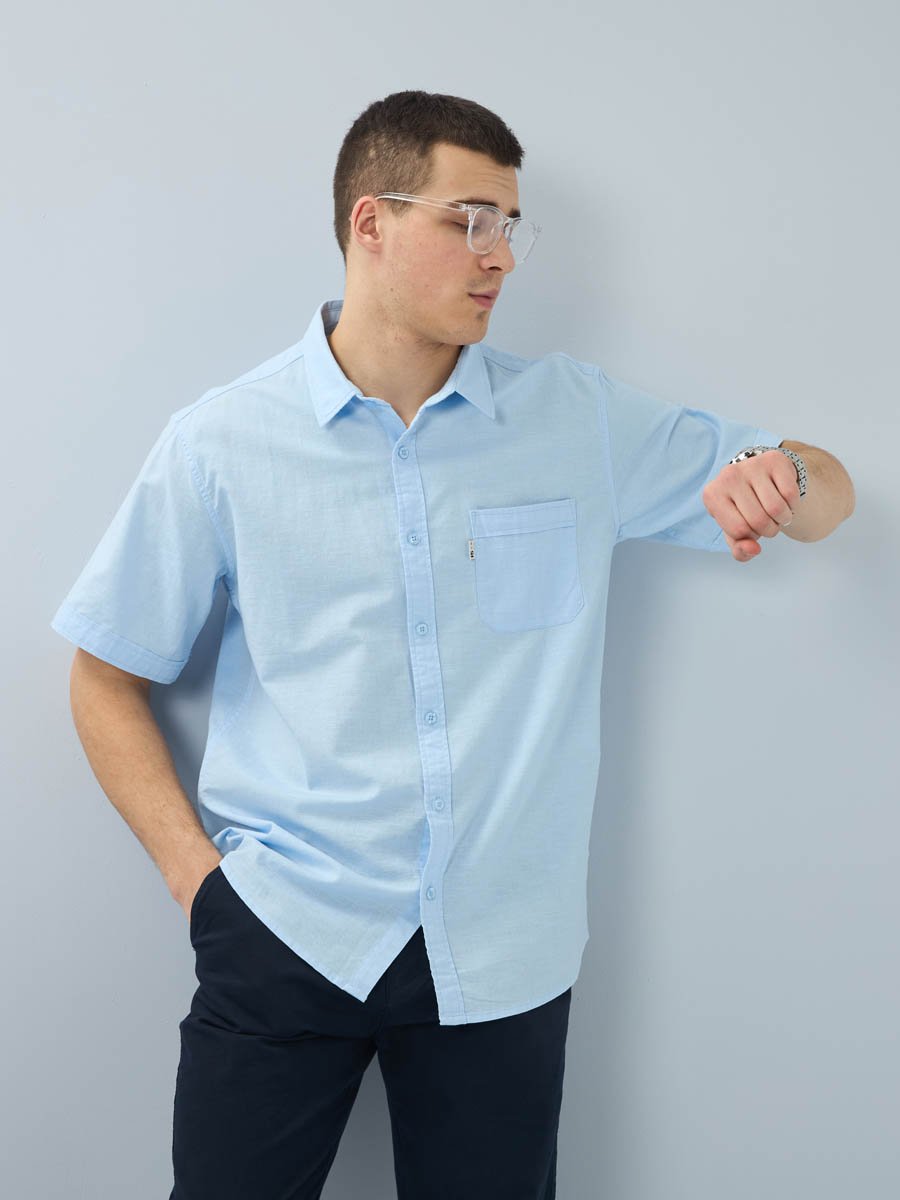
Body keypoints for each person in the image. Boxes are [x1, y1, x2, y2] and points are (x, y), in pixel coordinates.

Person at [49, 90, 855, 1200]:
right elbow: (103, 673)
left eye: (510, 226)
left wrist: (788, 478)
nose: (500, 257)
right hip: (287, 934)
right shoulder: (222, 444)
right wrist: (205, 892)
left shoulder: (574, 421)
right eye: (470, 220)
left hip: (501, 956)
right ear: (370, 223)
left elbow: (824, 497)